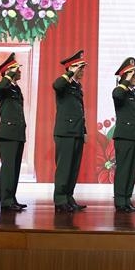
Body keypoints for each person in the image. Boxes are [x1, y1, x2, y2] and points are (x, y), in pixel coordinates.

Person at [52, 50, 88, 213]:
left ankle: (68, 197)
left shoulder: (76, 85)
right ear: (72, 68)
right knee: (64, 168)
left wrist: (83, 130)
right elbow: (56, 85)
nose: (83, 71)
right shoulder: (64, 83)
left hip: (76, 131)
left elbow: (80, 109)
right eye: (80, 68)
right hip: (65, 132)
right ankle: (60, 199)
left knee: (73, 169)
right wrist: (70, 73)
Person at [112, 57, 135, 213]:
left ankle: (127, 199)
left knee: (132, 170)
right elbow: (118, 95)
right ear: (126, 76)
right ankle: (120, 201)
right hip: (124, 136)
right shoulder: (120, 91)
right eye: (133, 75)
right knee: (124, 169)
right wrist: (125, 81)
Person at [0, 53, 27, 212]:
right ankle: (6, 201)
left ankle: (12, 198)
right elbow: (2, 86)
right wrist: (8, 75)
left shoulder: (15, 88)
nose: (19, 71)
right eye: (16, 69)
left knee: (15, 169)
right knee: (8, 169)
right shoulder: (2, 87)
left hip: (18, 133)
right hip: (7, 134)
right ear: (9, 71)